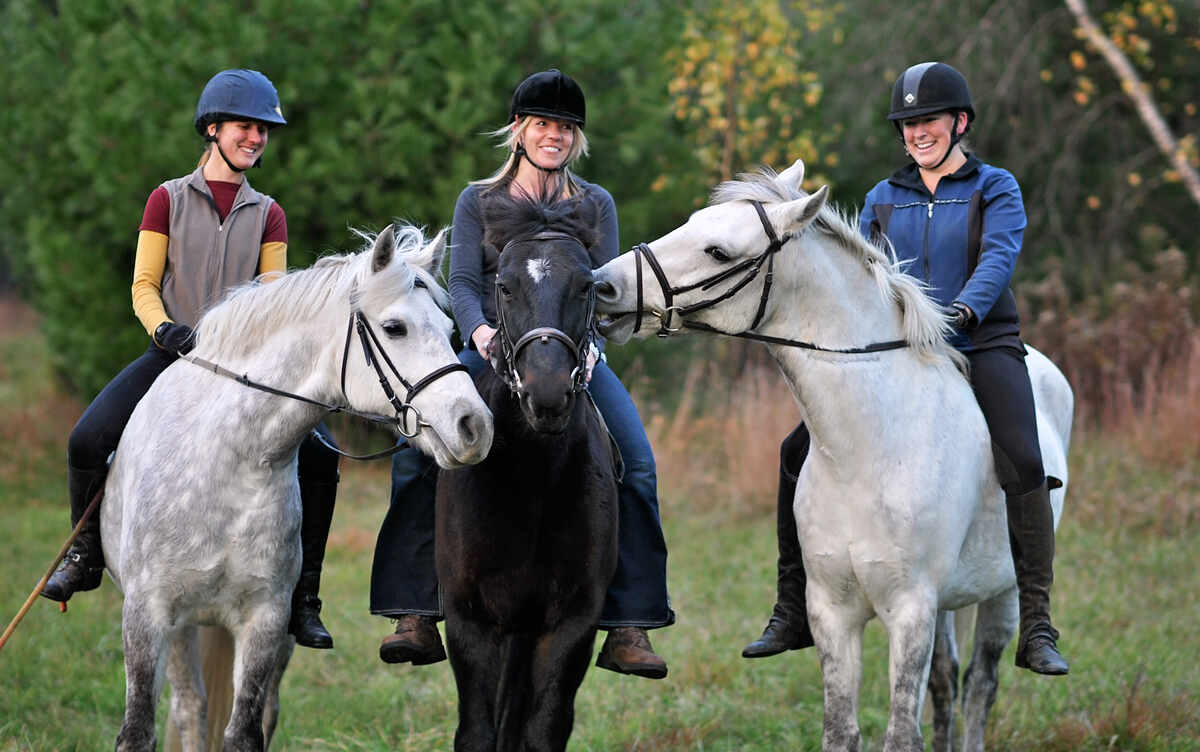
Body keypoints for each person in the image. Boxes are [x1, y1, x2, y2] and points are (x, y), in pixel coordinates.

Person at [742, 62, 1069, 676]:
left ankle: (1037, 624)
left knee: (1025, 457)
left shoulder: (995, 187)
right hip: (902, 351)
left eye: (929, 121)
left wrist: (963, 311)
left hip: (981, 341)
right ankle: (790, 608)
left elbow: (999, 257)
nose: (918, 132)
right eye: (908, 124)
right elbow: (864, 277)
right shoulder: (882, 198)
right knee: (795, 451)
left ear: (960, 122)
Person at [369, 68, 675, 678]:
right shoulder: (478, 201)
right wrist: (480, 332)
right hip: (490, 350)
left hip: (572, 355)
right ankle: (416, 611)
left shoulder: (595, 204)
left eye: (565, 127)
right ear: (518, 129)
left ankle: (628, 623)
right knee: (416, 451)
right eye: (542, 124)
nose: (554, 135)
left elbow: (602, 290)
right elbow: (462, 283)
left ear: (576, 137)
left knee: (636, 462)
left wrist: (593, 346)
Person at [40, 69, 340, 650]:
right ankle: (85, 556)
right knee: (86, 439)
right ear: (212, 129)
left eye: (263, 129)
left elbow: (272, 297)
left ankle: (305, 596)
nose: (256, 137)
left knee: (323, 455)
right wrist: (165, 329)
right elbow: (143, 284)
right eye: (245, 126)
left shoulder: (269, 213)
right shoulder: (167, 199)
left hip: (242, 368)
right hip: (170, 353)